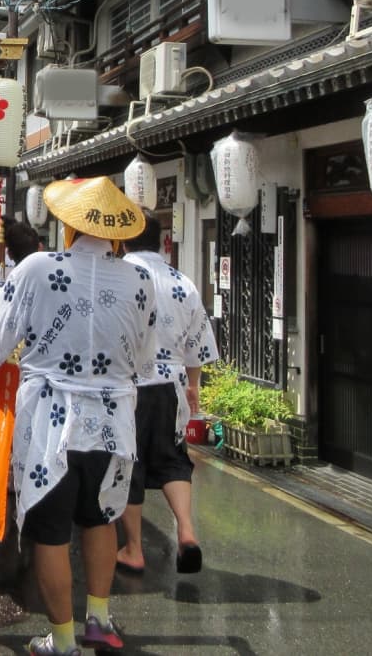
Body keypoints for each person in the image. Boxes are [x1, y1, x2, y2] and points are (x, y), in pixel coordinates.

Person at [0, 178, 155, 656]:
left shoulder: (39, 268)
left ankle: (62, 641)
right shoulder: (140, 277)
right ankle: (98, 618)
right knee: (101, 518)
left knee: (51, 530)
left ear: (68, 225)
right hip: (114, 420)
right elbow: (144, 355)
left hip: (51, 422)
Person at [118, 213, 218, 575]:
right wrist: (193, 386)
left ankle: (133, 548)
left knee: (129, 465)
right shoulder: (182, 282)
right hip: (172, 383)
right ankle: (187, 533)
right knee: (174, 458)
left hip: (127, 385)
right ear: (162, 242)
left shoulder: (119, 277)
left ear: (125, 240)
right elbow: (198, 343)